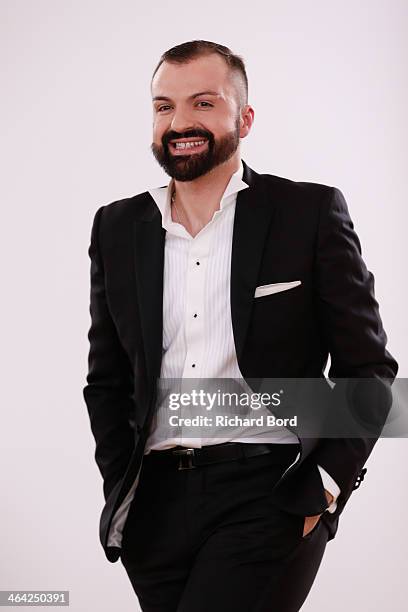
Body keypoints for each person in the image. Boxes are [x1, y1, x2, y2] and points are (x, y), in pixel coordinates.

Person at [83, 40, 399, 611]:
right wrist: (119, 485)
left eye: (204, 103)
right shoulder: (116, 227)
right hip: (154, 511)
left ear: (244, 118)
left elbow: (370, 371)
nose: (180, 122)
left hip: (269, 492)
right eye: (163, 106)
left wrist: (323, 489)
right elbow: (105, 382)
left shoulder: (308, 213)